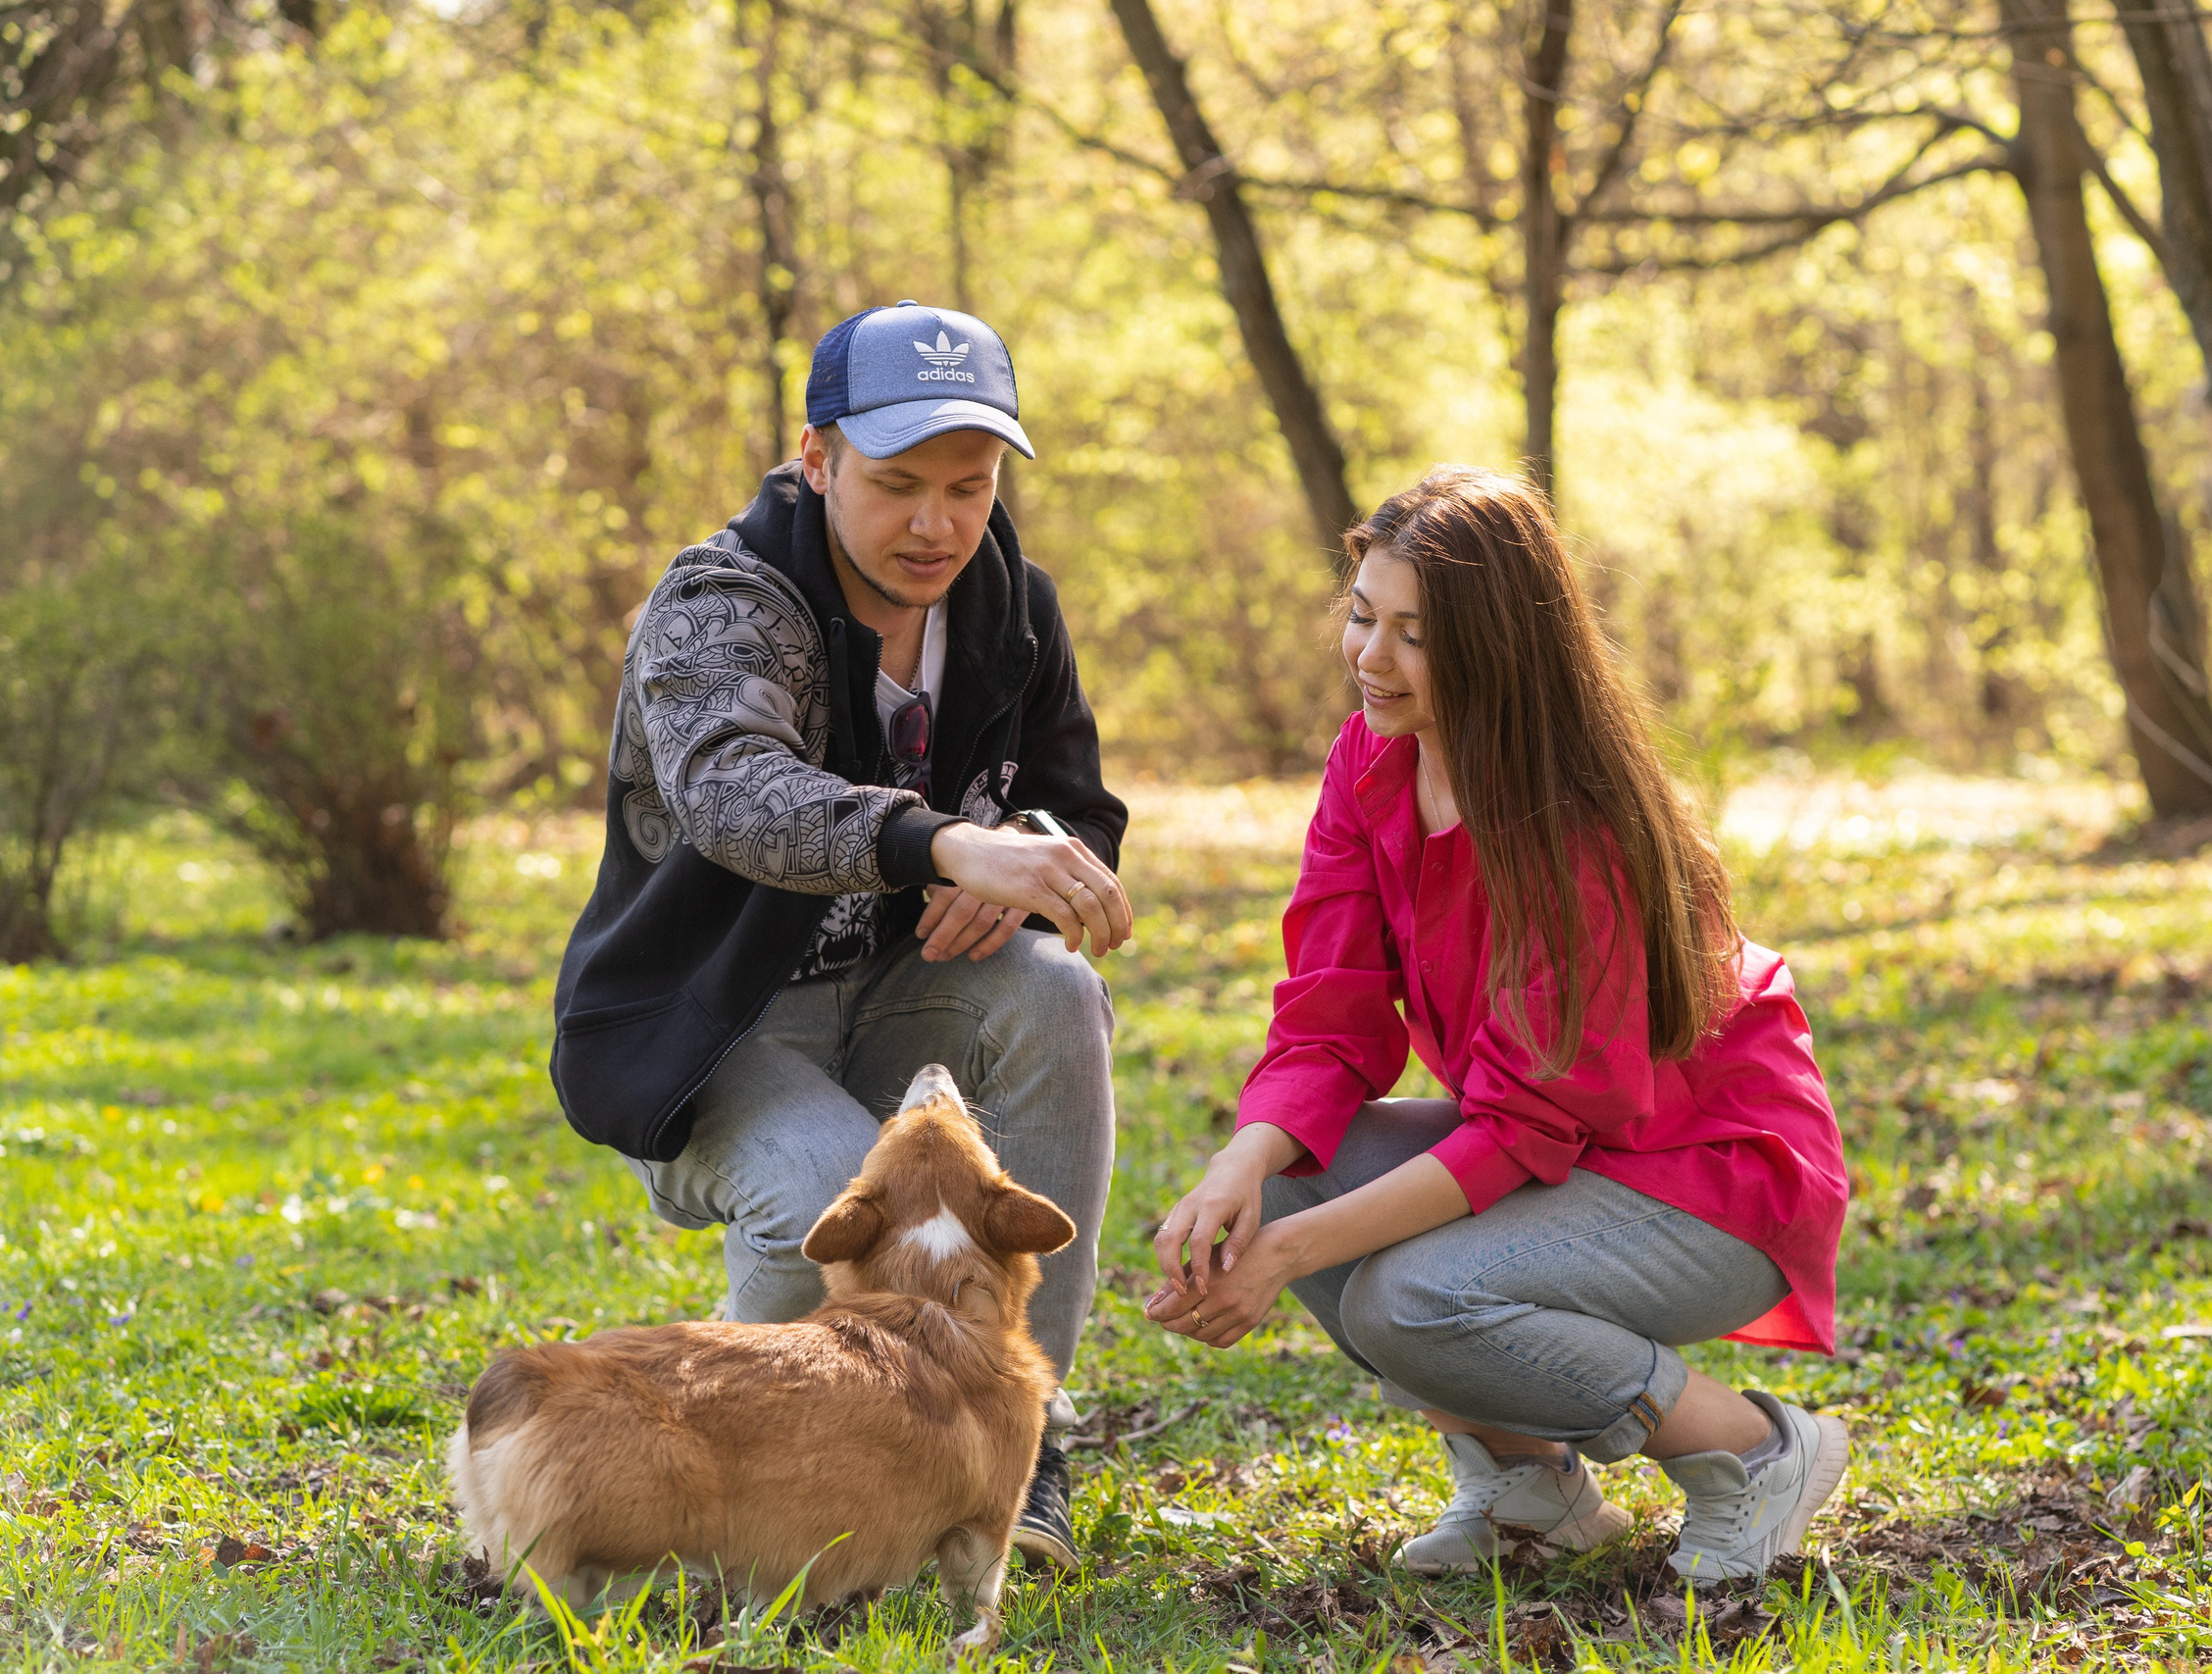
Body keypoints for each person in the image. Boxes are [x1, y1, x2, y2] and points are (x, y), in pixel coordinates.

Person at [1145, 467, 1851, 1582]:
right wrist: (1245, 1166)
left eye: (1414, 636)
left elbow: (1527, 1126)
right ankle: (1531, 1485)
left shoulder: (1576, 825)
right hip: (1562, 1154)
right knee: (1289, 1172)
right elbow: (1329, 1016)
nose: (1372, 658)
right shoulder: (1369, 763)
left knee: (1409, 1296)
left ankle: (1754, 1449)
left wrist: (1284, 1259)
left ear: (1498, 648)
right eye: (1362, 617)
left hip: (1710, 1180)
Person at [551, 300, 1131, 1569]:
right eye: (897, 483)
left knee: (1055, 993)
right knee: (825, 1187)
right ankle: (744, 1491)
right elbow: (732, 789)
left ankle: (1023, 1442)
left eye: (968, 486)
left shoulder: (1009, 607)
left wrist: (1028, 850)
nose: (935, 523)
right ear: (817, 459)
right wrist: (942, 841)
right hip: (712, 1031)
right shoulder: (721, 602)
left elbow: (1078, 806)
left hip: (905, 1000)